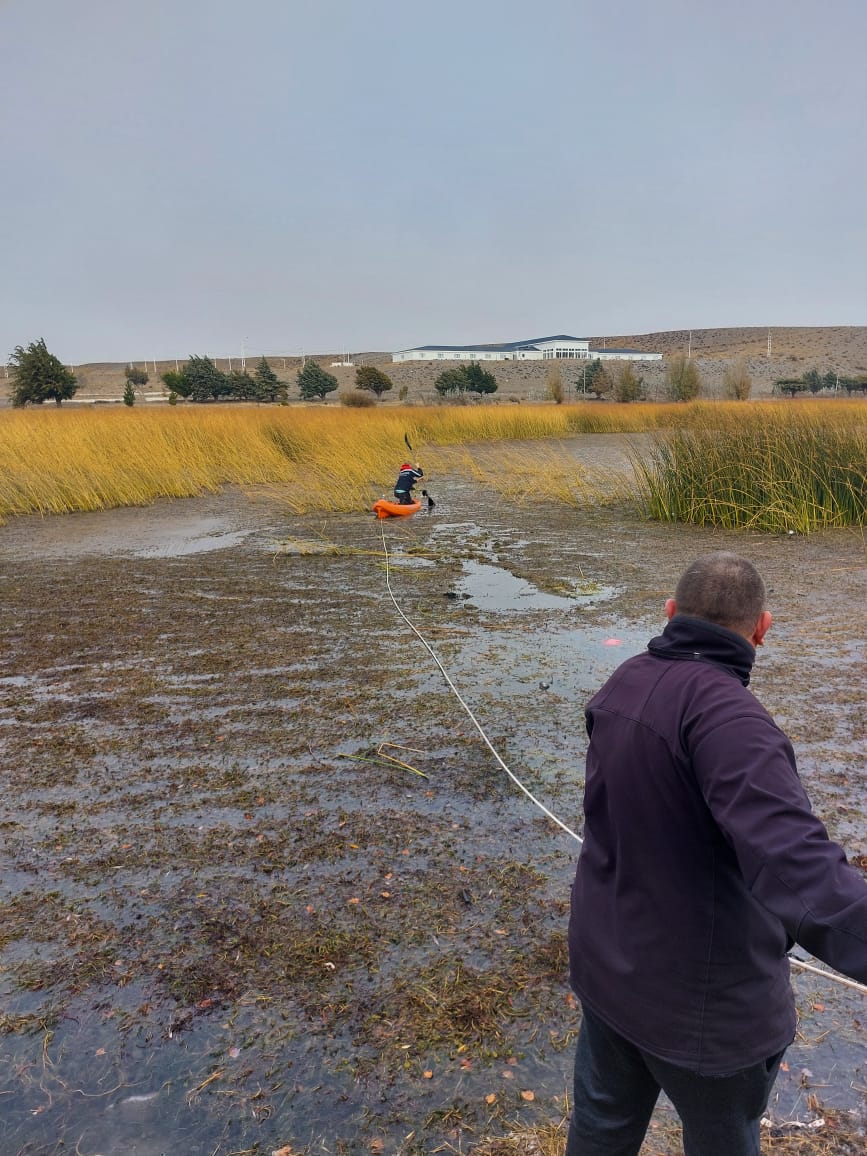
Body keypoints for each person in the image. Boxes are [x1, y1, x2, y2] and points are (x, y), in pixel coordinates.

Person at [566, 552, 867, 1156]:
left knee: (598, 1134)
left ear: (672, 613)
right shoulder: (732, 720)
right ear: (763, 628)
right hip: (706, 1017)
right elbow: (801, 871)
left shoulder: (622, 680)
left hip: (609, 975)